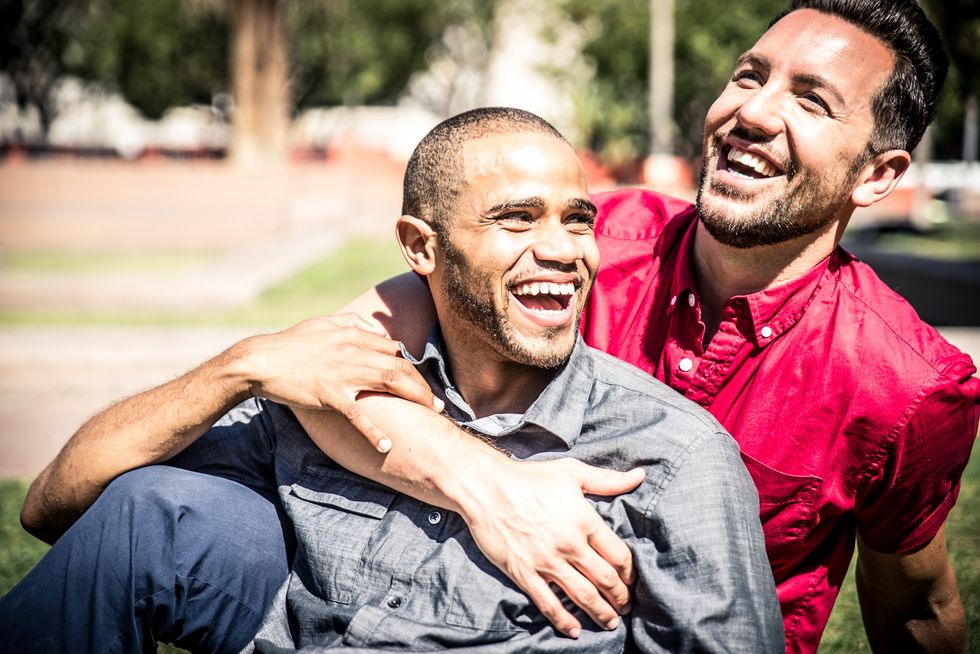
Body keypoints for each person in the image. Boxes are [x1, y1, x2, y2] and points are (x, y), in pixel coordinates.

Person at [9, 0, 979, 652]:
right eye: (747, 74)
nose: (750, 112)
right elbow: (334, 366)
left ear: (878, 176)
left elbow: (918, 599)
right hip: (438, 583)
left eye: (808, 100)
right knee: (153, 518)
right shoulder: (598, 238)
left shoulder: (906, 381)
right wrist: (486, 484)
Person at [1, 109, 783, 652]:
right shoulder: (335, 394)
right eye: (518, 218)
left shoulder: (669, 454)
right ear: (421, 246)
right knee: (147, 508)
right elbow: (54, 507)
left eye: (576, 219)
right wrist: (240, 367)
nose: (563, 249)